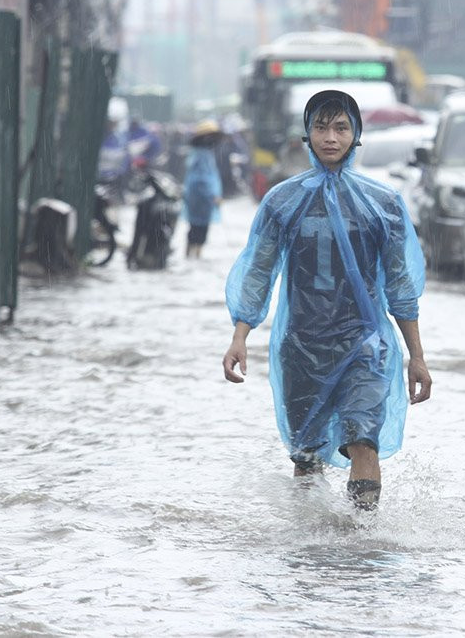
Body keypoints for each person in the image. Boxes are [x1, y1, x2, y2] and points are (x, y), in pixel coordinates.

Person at [222, 89, 431, 511]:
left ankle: (362, 540)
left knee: (362, 439)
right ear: (307, 134)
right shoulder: (282, 201)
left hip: (366, 343)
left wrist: (417, 356)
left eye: (340, 127)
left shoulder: (383, 204)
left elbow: (400, 286)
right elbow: (259, 271)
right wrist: (239, 335)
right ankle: (310, 544)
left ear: (356, 135)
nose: (330, 137)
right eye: (321, 127)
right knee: (307, 455)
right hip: (302, 343)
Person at [182, 120, 223, 259]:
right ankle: (194, 255)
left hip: (195, 195)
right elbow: (203, 178)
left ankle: (190, 254)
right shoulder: (202, 155)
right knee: (200, 227)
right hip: (202, 196)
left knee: (194, 225)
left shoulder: (198, 153)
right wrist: (212, 195)